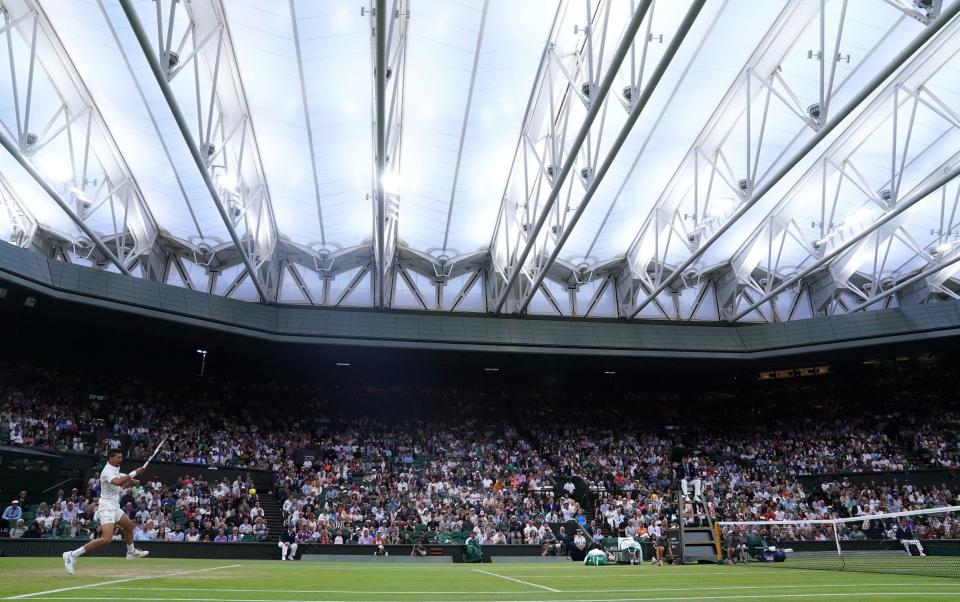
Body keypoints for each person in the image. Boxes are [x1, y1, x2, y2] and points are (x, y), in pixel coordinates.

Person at [63, 449, 149, 575]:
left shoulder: (114, 468)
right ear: (110, 458)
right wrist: (135, 472)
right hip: (106, 508)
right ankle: (71, 555)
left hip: (114, 506)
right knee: (106, 539)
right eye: (118, 457)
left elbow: (119, 476)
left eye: (121, 457)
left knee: (129, 526)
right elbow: (117, 481)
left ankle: (131, 551)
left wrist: (131, 480)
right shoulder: (107, 471)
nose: (121, 459)